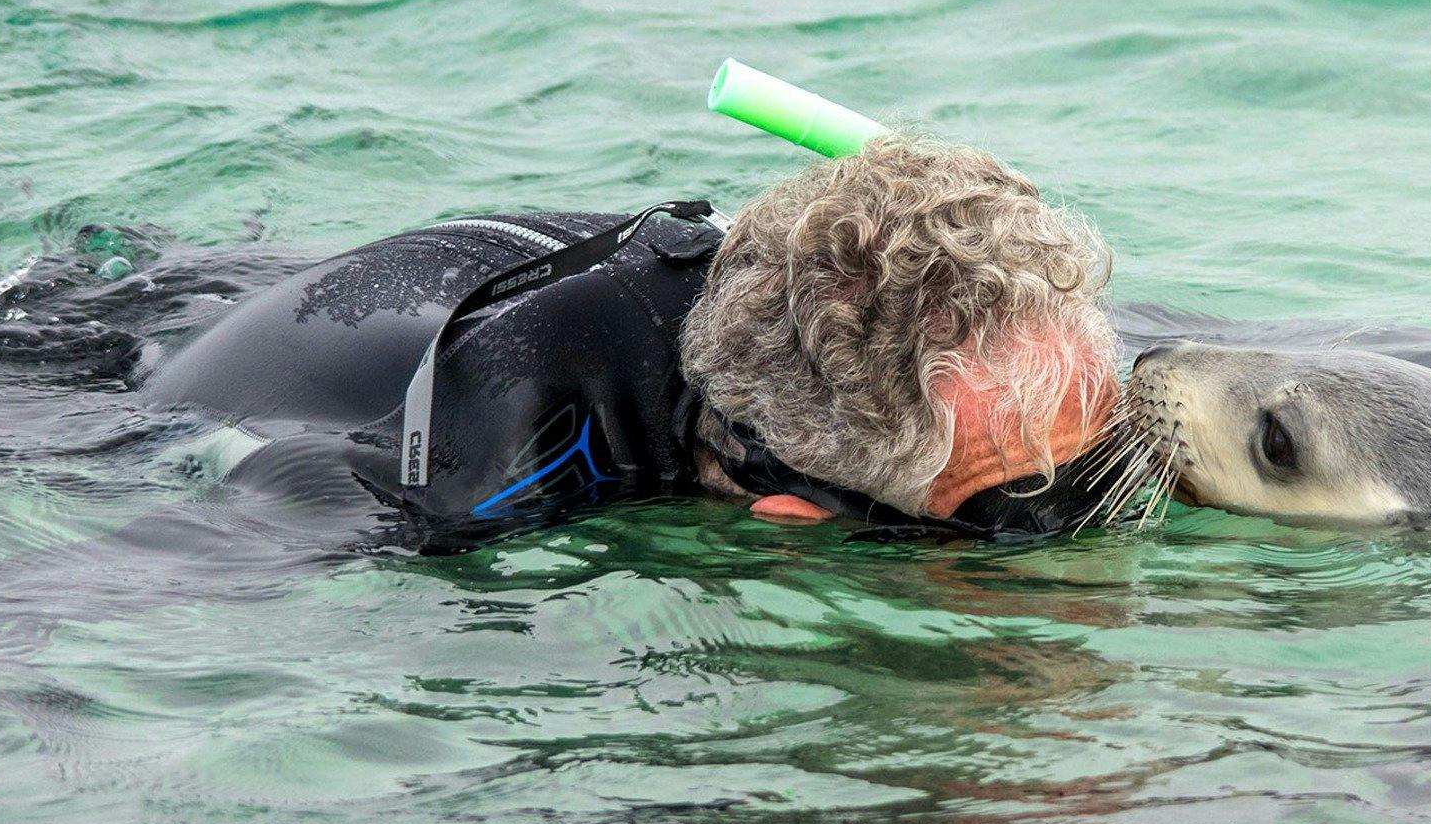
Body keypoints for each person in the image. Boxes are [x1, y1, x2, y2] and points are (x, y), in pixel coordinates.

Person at [141, 136, 1130, 550]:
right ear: (792, 516)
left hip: (338, 290)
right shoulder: (484, 470)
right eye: (1024, 516)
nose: (1095, 515)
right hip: (139, 381)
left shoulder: (850, 333)